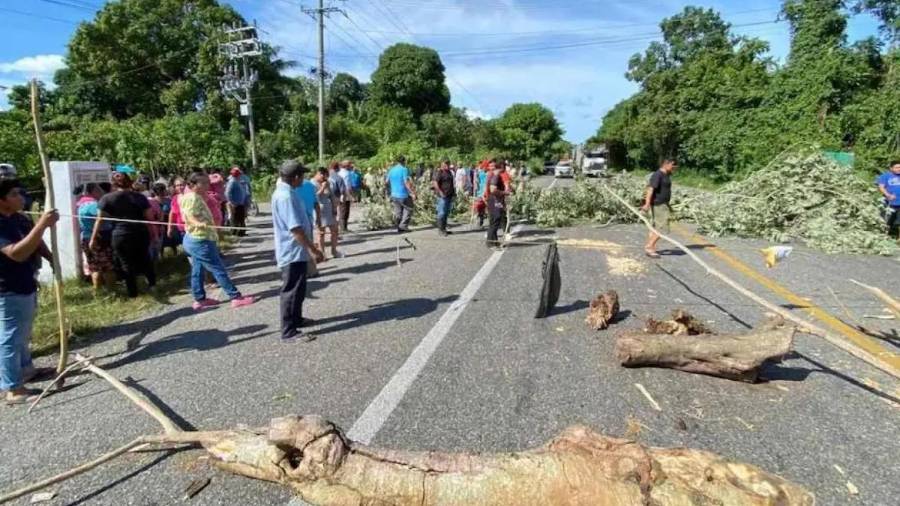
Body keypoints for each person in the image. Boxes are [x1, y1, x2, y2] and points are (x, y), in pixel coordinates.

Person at [0, 179, 58, 404]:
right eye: (15, 194)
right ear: (2, 200)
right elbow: (17, 253)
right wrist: (42, 224)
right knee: (10, 337)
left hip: (25, 282)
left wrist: (52, 259)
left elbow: (35, 242)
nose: (21, 197)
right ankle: (12, 387)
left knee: (22, 332)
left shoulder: (18, 218)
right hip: (7, 288)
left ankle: (26, 370)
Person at [179, 172, 257, 310]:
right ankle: (235, 297)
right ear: (193, 185)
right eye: (203, 183)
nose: (207, 185)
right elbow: (188, 216)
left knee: (198, 270)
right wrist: (197, 223)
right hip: (200, 240)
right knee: (218, 268)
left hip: (196, 239)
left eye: (206, 182)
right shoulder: (192, 198)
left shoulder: (194, 196)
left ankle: (199, 300)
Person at [272, 161, 324, 343]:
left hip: (297, 251)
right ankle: (288, 332)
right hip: (292, 251)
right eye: (301, 175)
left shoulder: (289, 192)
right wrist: (314, 250)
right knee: (291, 290)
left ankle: (297, 319)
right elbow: (295, 229)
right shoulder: (285, 196)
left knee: (299, 287)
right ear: (295, 178)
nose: (303, 178)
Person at [92, 172, 156, 298]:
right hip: (140, 233)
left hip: (120, 235)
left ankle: (133, 293)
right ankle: (153, 285)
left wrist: (93, 238)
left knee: (126, 264)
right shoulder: (140, 197)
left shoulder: (106, 199)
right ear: (130, 181)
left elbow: (99, 219)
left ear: (113, 183)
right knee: (145, 259)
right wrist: (154, 233)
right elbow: (149, 217)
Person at [76, 183, 115, 290]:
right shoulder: (93, 204)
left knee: (94, 266)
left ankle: (97, 292)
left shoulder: (80, 204)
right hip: (99, 238)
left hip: (86, 237)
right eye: (99, 189)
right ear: (94, 191)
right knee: (107, 266)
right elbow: (102, 217)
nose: (102, 192)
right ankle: (112, 291)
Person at [640, 158, 677, 258]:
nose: (675, 167)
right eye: (673, 165)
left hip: (663, 204)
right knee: (662, 227)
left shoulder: (666, 174)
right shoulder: (658, 175)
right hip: (659, 205)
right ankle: (649, 246)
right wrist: (647, 204)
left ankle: (651, 247)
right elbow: (650, 189)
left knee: (655, 227)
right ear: (666, 164)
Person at [314, 167, 342, 258]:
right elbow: (314, 197)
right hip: (319, 210)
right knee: (321, 233)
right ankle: (322, 254)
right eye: (323, 176)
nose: (324, 178)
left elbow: (332, 196)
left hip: (329, 209)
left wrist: (334, 208)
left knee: (335, 230)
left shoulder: (327, 182)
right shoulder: (312, 184)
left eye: (326, 176)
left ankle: (334, 251)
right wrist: (322, 187)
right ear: (319, 173)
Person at [486, 160, 511, 249]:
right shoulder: (495, 176)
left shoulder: (493, 175)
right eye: (503, 167)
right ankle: (490, 243)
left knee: (494, 222)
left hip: (494, 200)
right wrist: (504, 192)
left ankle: (494, 241)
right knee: (494, 222)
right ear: (500, 167)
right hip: (494, 201)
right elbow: (493, 189)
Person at [387, 156, 417, 233]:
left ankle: (398, 225)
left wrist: (390, 191)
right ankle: (403, 226)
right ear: (404, 161)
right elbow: (406, 182)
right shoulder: (404, 169)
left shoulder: (391, 170)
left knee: (398, 211)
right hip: (403, 194)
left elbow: (386, 181)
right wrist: (413, 192)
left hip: (394, 194)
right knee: (409, 208)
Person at [876, 160, 900, 239]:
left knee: (898, 222)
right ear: (891, 168)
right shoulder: (885, 176)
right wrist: (888, 195)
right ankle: (883, 237)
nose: (899, 169)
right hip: (889, 203)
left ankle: (897, 238)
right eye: (896, 167)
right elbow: (881, 187)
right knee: (886, 221)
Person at [432, 159, 456, 235]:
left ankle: (444, 229)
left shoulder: (449, 172)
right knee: (441, 213)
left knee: (446, 213)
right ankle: (440, 230)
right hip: (442, 196)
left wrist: (454, 193)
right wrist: (440, 192)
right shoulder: (440, 172)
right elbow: (435, 183)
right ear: (442, 164)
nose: (445, 166)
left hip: (449, 195)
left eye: (447, 164)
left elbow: (451, 184)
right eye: (444, 164)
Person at [165, 177, 186, 256]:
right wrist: (169, 227)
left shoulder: (191, 196)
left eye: (181, 185)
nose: (180, 187)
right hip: (181, 229)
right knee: (187, 250)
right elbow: (172, 213)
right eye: (177, 185)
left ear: (186, 185)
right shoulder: (175, 198)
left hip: (192, 228)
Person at [225, 167, 248, 236]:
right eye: (239, 174)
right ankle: (235, 232)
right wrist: (232, 202)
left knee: (241, 218)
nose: (240, 175)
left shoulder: (237, 181)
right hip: (235, 204)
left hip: (240, 203)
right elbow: (227, 193)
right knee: (235, 218)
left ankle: (241, 232)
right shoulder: (232, 182)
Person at [471, 160, 490, 229]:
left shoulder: (489, 173)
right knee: (479, 207)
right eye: (483, 167)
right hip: (480, 192)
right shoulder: (480, 172)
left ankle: (492, 221)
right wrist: (475, 181)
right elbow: (477, 181)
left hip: (487, 192)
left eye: (485, 167)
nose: (484, 168)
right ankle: (479, 222)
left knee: (488, 207)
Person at [337, 160, 354, 232]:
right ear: (346, 166)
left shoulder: (340, 172)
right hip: (345, 195)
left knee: (343, 210)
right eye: (350, 165)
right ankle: (343, 228)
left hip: (341, 194)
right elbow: (346, 186)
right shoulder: (346, 174)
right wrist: (350, 195)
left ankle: (344, 227)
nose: (351, 166)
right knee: (344, 211)